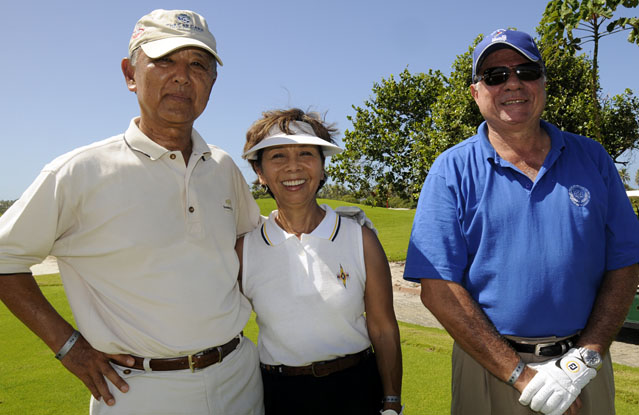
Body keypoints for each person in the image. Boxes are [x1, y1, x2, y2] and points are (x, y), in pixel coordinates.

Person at [0, 9, 265, 414]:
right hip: (138, 393)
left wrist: (333, 222)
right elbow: (5, 258)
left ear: (212, 82)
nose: (182, 76)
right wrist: (69, 347)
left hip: (240, 378)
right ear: (130, 73)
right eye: (164, 60)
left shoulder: (223, 166)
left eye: (198, 65)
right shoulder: (79, 171)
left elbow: (253, 240)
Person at [403, 28, 639, 415]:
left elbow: (625, 262)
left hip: (583, 369)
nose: (513, 83)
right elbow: (438, 289)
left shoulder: (593, 158)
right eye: (495, 76)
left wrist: (585, 359)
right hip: (489, 372)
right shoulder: (451, 170)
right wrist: (520, 375)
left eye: (526, 71)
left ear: (543, 82)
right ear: (476, 92)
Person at [235, 108, 403, 415]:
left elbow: (384, 329)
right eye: (277, 157)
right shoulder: (245, 249)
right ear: (260, 173)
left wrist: (392, 402)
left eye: (305, 154)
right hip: (279, 394)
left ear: (323, 166)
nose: (293, 167)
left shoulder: (360, 238)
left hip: (356, 389)